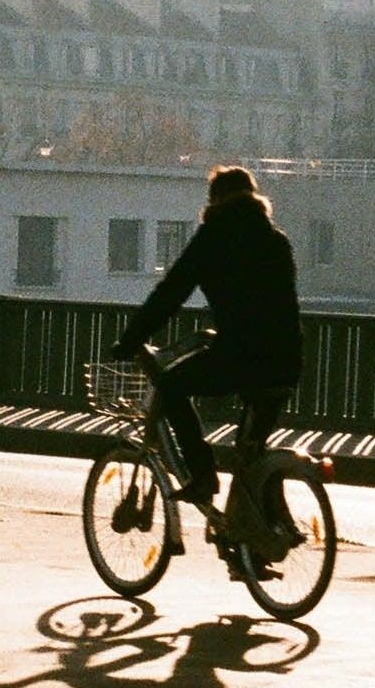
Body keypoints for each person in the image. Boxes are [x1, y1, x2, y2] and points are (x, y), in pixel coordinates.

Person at [107, 165, 302, 517]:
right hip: (286, 359)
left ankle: (202, 474)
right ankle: (264, 532)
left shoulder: (214, 236)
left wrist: (131, 339)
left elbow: (170, 293)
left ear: (215, 200)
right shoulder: (276, 239)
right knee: (251, 450)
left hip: (241, 355)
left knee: (171, 386)